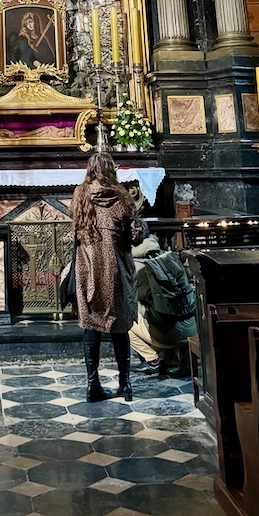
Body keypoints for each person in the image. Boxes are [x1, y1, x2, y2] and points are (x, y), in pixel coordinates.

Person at [71, 152, 144, 403]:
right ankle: (126, 384)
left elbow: (75, 226)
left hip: (88, 268)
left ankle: (93, 385)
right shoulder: (122, 196)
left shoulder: (80, 194)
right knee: (119, 325)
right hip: (116, 268)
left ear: (90, 170)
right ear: (111, 170)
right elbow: (135, 236)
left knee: (91, 323)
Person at [129, 233, 197, 376]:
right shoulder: (169, 257)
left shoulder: (135, 267)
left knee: (121, 318)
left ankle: (152, 360)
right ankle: (180, 351)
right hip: (192, 329)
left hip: (168, 334)